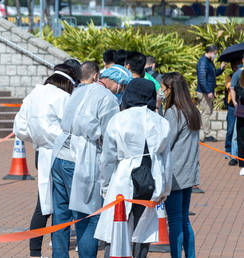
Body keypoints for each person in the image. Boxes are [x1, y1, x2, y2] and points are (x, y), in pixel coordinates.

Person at [50, 64, 131, 258]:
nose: (122, 89)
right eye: (122, 85)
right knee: (87, 216)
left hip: (60, 154)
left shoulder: (79, 90)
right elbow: (109, 137)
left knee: (61, 215)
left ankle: (59, 255)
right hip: (82, 159)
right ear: (113, 81)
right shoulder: (108, 99)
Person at [95, 78, 172, 258]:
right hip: (152, 180)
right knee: (142, 232)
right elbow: (167, 160)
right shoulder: (161, 122)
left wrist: (105, 186)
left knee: (116, 229)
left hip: (123, 178)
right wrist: (165, 189)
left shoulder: (118, 119)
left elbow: (107, 158)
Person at [14, 64, 77, 258]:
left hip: (40, 154)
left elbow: (19, 128)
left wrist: (38, 137)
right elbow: (73, 127)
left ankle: (35, 252)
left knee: (43, 204)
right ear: (70, 82)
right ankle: (62, 248)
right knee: (64, 204)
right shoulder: (64, 98)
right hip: (63, 155)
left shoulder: (33, 94)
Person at [160, 72, 200, 258]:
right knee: (183, 219)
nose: (161, 91)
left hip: (175, 172)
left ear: (171, 90)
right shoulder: (192, 110)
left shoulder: (173, 113)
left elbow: (164, 141)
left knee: (175, 220)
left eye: (163, 88)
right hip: (189, 171)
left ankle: (176, 255)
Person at [196, 45, 227, 142]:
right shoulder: (203, 62)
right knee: (206, 112)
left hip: (207, 91)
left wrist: (221, 69)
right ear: (210, 52)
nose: (215, 55)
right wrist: (208, 91)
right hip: (204, 92)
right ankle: (206, 135)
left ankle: (207, 133)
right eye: (215, 53)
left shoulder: (209, 62)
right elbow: (202, 79)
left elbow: (213, 74)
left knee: (208, 112)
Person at [226, 57, 243, 166]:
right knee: (236, 134)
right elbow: (231, 87)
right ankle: (234, 156)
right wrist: (234, 102)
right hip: (240, 107)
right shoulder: (238, 73)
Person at [232, 57, 244, 175]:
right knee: (240, 137)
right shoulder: (239, 73)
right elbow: (233, 88)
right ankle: (242, 163)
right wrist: (235, 102)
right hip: (241, 111)